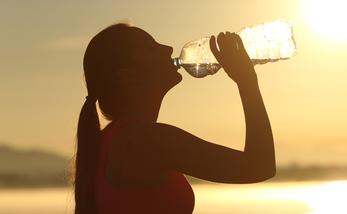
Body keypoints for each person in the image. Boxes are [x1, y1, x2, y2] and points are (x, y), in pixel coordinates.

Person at [74, 23, 276, 214]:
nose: (168, 48)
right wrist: (247, 81)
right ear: (129, 76)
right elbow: (259, 166)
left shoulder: (112, 140)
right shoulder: (146, 141)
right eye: (151, 48)